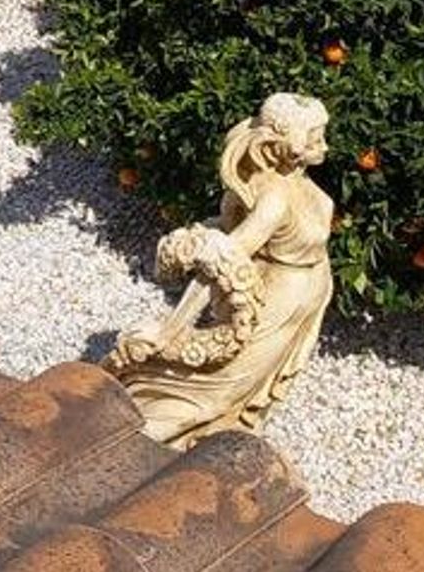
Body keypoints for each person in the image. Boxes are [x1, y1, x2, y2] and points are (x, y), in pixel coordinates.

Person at [107, 93, 335, 449]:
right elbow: (221, 258)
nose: (324, 146)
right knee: (220, 387)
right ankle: (133, 443)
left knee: (247, 385)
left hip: (306, 296)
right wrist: (172, 329)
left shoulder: (297, 184)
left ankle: (211, 436)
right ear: (280, 146)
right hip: (279, 302)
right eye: (314, 138)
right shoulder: (274, 198)